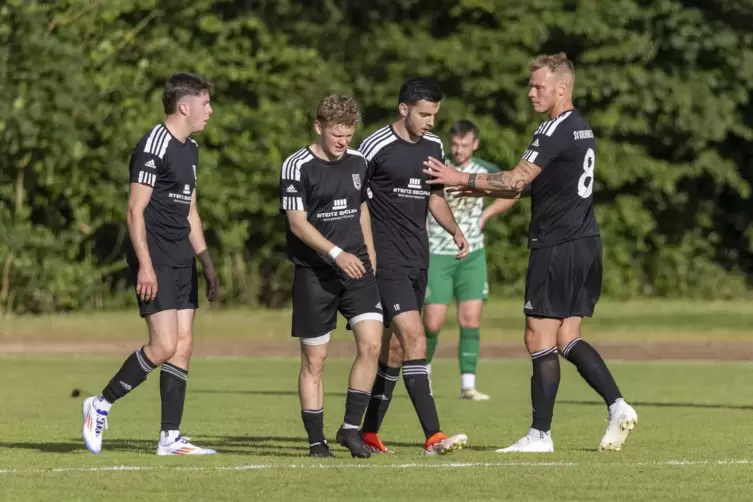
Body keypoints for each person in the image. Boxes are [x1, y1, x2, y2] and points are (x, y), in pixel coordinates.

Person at [423, 53, 638, 453]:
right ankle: (618, 405)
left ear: (561, 88)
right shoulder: (581, 129)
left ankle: (540, 435)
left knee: (537, 335)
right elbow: (537, 184)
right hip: (586, 243)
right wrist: (482, 186)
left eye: (538, 86)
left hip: (556, 245)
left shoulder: (553, 128)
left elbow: (517, 179)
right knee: (567, 337)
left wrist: (459, 176)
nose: (530, 92)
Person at [81, 73, 220, 456]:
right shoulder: (153, 145)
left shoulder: (190, 148)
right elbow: (134, 210)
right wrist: (144, 265)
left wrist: (206, 261)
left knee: (183, 346)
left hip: (181, 256)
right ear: (184, 106)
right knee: (163, 345)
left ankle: (169, 438)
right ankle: (100, 404)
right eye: (205, 103)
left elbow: (190, 208)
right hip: (155, 255)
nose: (210, 111)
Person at [356, 77, 470, 455]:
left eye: (435, 114)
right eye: (424, 114)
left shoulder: (434, 145)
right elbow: (355, 199)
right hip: (384, 260)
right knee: (415, 336)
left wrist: (454, 229)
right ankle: (433, 436)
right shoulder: (374, 146)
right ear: (403, 109)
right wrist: (362, 249)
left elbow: (434, 197)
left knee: (395, 350)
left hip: (417, 258)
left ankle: (369, 431)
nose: (431, 121)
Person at [279, 93, 383, 459]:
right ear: (318, 126)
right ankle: (316, 441)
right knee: (315, 361)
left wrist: (369, 252)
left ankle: (351, 429)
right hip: (316, 274)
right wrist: (337, 254)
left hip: (357, 271)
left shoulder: (358, 162)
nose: (343, 142)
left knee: (372, 345)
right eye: (337, 134)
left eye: (348, 135)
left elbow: (362, 207)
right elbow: (296, 223)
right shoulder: (297, 165)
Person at [424, 119, 518, 401]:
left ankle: (468, 385)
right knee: (432, 321)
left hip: (473, 254)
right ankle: (422, 375)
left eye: (464, 145)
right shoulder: (438, 167)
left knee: (471, 319)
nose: (459, 149)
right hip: (437, 252)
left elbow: (513, 189)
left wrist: (486, 215)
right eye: (455, 144)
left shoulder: (484, 170)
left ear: (475, 144)